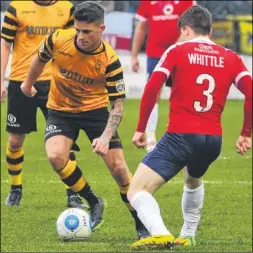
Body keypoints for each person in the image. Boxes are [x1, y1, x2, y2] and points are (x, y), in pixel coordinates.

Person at [127, 5, 252, 249]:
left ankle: (160, 232)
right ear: (211, 29)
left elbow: (153, 86)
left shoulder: (177, 50)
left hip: (181, 136)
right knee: (193, 179)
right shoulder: (230, 56)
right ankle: (187, 234)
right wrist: (246, 133)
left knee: (136, 190)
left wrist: (141, 128)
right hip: (213, 140)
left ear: (185, 29)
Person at [20, 1, 150, 236]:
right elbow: (39, 60)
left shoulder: (109, 61)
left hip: (95, 112)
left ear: (102, 28)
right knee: (55, 156)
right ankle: (93, 201)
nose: (80, 36)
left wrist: (105, 136)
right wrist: (28, 84)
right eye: (78, 30)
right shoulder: (58, 39)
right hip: (60, 110)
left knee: (119, 168)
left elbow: (118, 105)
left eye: (87, 32)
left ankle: (140, 221)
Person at [0, 0, 87, 208]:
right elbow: (5, 44)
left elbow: (73, 46)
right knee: (14, 141)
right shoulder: (16, 7)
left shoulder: (66, 8)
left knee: (64, 140)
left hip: (56, 83)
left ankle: (72, 193)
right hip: (20, 81)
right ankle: (15, 189)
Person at [131, 0, 196, 152]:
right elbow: (141, 27)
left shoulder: (187, 2)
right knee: (154, 92)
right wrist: (134, 55)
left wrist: (175, 48)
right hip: (155, 54)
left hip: (181, 53)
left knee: (184, 93)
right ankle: (151, 136)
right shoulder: (147, 2)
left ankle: (183, 134)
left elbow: (191, 27)